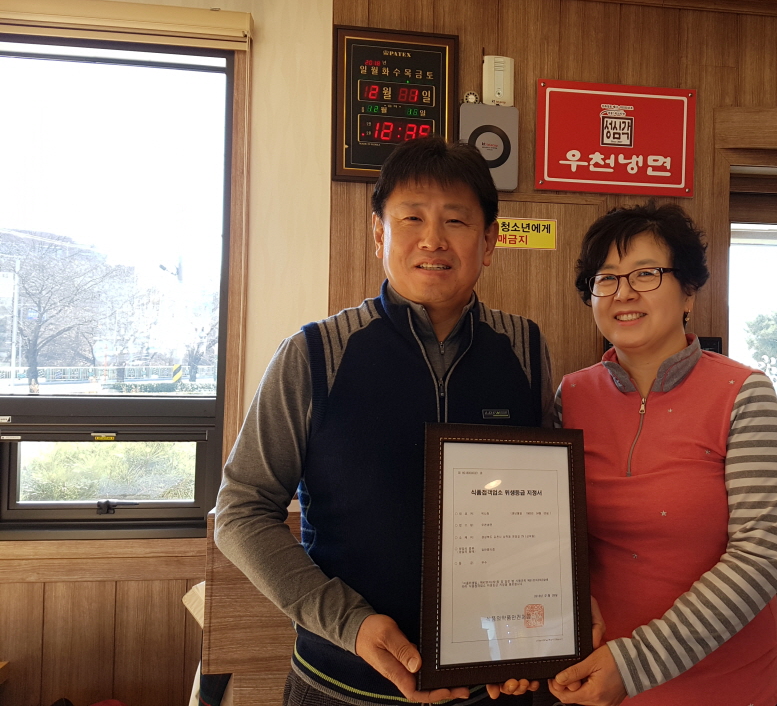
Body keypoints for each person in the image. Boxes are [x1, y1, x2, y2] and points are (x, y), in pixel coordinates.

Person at [215, 137, 553, 706]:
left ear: (489, 241)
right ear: (379, 234)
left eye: (456, 220)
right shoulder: (314, 354)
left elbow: (545, 510)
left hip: (493, 687)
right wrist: (349, 624)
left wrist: (532, 640)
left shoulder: (525, 349)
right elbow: (242, 510)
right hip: (340, 685)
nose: (433, 239)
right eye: (412, 218)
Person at [549, 201, 777, 706]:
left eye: (646, 274)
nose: (623, 293)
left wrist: (635, 664)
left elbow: (761, 556)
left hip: (725, 687)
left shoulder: (744, 394)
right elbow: (554, 534)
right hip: (595, 680)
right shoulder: (570, 397)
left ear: (688, 291)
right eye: (606, 278)